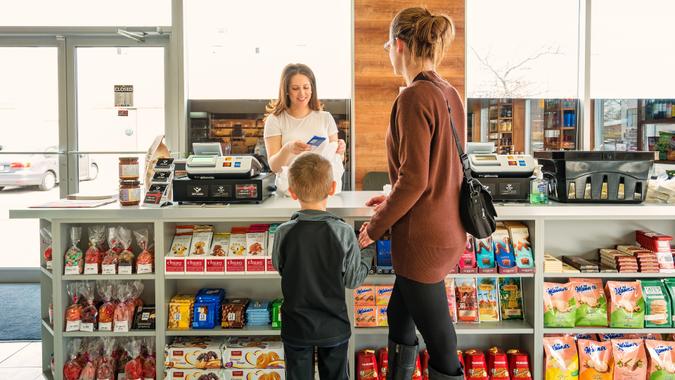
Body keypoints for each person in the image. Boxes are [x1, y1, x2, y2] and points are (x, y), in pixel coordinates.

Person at [358, 7, 465, 380]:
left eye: (388, 43)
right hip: (448, 228)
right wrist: (390, 201)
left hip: (422, 238)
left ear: (400, 45)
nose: (388, 51)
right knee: (398, 315)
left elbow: (415, 179)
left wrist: (375, 226)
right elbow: (437, 173)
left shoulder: (413, 97)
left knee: (440, 340)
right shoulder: (449, 93)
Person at [271, 153, 373, 380]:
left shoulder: (283, 232)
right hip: (333, 327)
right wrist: (367, 250)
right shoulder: (343, 232)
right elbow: (353, 280)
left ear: (292, 191)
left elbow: (279, 266)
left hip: (296, 327)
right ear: (332, 187)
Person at [264, 63, 346, 174]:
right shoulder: (275, 120)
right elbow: (274, 167)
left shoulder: (325, 118)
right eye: (295, 88)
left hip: (322, 186)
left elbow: (336, 159)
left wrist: (340, 152)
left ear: (312, 89)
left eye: (306, 87)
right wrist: (287, 149)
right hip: (289, 187)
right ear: (286, 91)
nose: (302, 93)